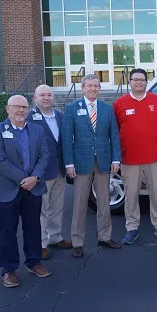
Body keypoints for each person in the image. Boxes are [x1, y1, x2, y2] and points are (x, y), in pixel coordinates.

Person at [0, 95, 51, 287]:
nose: (21, 110)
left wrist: (35, 177)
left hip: (33, 187)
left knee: (33, 227)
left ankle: (34, 262)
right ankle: (9, 269)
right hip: (7, 189)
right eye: (16, 106)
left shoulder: (37, 130)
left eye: (24, 107)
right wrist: (23, 179)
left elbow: (44, 156)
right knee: (7, 230)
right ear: (7, 109)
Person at [62, 74, 122, 258]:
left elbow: (114, 136)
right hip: (81, 163)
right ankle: (77, 242)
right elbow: (67, 138)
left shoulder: (107, 109)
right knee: (80, 203)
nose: (93, 89)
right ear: (82, 88)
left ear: (99, 88)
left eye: (96, 86)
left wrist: (116, 159)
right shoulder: (72, 108)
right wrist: (69, 163)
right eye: (89, 86)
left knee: (104, 202)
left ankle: (105, 237)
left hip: (103, 161)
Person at [114, 68, 157, 245]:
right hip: (130, 159)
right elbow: (115, 131)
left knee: (156, 193)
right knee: (131, 195)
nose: (139, 82)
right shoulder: (120, 104)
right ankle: (132, 227)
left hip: (155, 158)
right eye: (135, 79)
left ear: (147, 82)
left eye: (142, 79)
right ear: (130, 82)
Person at [27, 85, 72, 260]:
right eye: (42, 95)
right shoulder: (29, 118)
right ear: (35, 98)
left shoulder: (60, 116)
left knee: (57, 206)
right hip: (41, 172)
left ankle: (55, 236)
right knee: (41, 209)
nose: (46, 98)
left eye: (49, 95)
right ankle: (41, 244)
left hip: (59, 170)